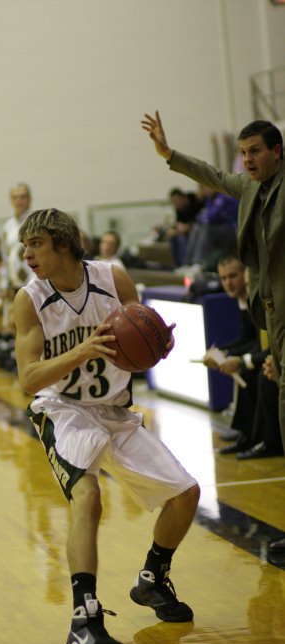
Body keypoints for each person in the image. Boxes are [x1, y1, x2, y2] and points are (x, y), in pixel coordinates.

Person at [13, 208, 200, 644]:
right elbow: (29, 379)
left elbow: (145, 335)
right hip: (64, 410)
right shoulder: (29, 299)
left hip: (115, 410)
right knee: (89, 497)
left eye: (35, 244)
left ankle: (152, 579)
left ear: (62, 244)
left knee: (186, 494)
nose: (26, 254)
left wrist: (158, 343)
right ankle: (83, 619)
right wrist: (82, 350)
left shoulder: (113, 280)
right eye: (25, 246)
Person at [141, 111, 285, 549]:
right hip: (272, 317)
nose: (247, 160)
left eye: (255, 151)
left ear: (278, 152)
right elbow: (213, 174)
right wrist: (169, 154)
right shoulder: (247, 185)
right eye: (243, 153)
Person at [205, 254, 281, 459]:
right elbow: (248, 338)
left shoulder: (260, 301)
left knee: (257, 375)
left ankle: (267, 440)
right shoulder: (243, 301)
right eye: (223, 278)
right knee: (249, 374)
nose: (228, 283)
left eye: (233, 277)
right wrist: (224, 352)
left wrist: (240, 359)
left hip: (273, 355)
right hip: (266, 354)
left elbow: (264, 343)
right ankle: (249, 434)